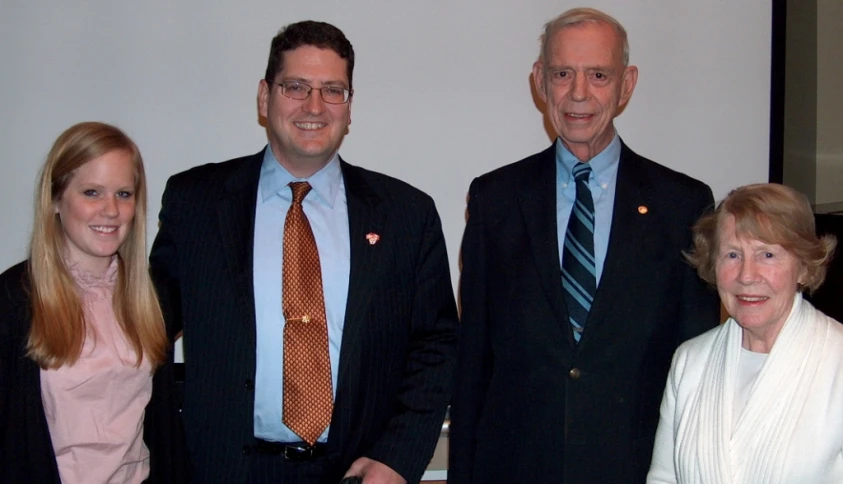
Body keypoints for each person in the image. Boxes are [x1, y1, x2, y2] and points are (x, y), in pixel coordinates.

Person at [149, 20, 459, 484]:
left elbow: (436, 347)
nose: (314, 106)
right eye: (295, 86)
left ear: (350, 107)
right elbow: (143, 323)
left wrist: (397, 457)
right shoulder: (196, 202)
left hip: (356, 471)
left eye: (333, 90)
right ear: (264, 96)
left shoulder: (406, 215)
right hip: (224, 470)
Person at [448, 7, 721, 483]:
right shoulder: (495, 199)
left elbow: (696, 365)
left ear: (627, 84)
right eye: (561, 74)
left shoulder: (684, 205)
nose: (578, 93)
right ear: (539, 81)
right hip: (514, 469)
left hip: (635, 469)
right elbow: (474, 363)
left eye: (598, 74)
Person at [0, 121, 186, 483]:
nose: (111, 210)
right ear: (55, 199)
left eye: (123, 194)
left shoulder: (153, 297)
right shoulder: (13, 301)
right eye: (91, 192)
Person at [647, 183, 842, 483]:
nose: (747, 276)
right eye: (733, 255)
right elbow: (664, 478)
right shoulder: (691, 362)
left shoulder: (837, 361)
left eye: (767, 255)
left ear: (803, 267)